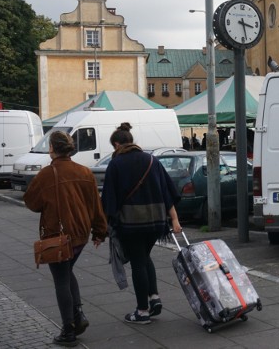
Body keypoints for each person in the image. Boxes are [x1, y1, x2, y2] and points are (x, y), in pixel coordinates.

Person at [24, 131, 107, 347]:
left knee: (61, 279)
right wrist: (99, 232)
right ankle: (77, 316)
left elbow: (32, 203)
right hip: (81, 234)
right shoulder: (85, 172)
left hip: (57, 236)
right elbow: (95, 205)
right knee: (67, 272)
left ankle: (68, 329)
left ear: (52, 148)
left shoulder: (46, 174)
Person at [101, 123, 182, 325]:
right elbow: (167, 191)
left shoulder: (116, 164)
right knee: (145, 257)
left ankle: (142, 311)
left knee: (138, 262)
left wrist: (103, 225)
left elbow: (109, 199)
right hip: (156, 221)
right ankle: (153, 298)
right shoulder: (152, 160)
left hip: (131, 222)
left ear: (117, 144)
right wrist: (174, 218)